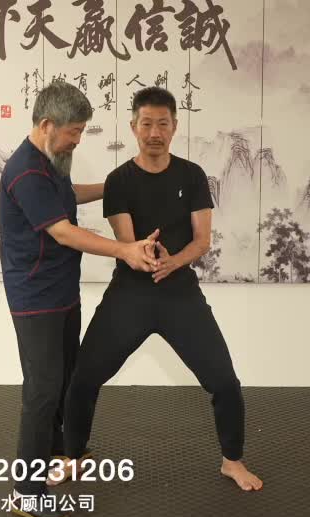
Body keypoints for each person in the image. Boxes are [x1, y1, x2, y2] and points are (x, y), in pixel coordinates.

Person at [55, 86, 263, 492]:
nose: (154, 132)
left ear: (175, 127)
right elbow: (127, 240)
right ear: (134, 127)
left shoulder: (192, 175)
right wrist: (148, 255)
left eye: (162, 124)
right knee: (83, 378)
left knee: (224, 381)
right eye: (147, 123)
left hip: (180, 294)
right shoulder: (119, 180)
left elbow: (202, 240)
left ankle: (232, 461)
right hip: (129, 294)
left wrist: (174, 260)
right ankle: (73, 455)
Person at [0, 81, 159, 517]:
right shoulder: (26, 172)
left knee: (65, 377)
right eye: (73, 132)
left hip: (61, 292)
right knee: (42, 391)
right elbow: (63, 231)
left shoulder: (50, 163)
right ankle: (26, 492)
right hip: (35, 298)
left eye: (82, 131)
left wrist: (115, 184)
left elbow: (69, 197)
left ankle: (56, 452)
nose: (77, 140)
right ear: (47, 125)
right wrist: (124, 250)